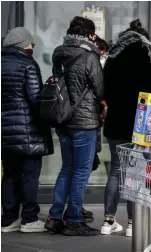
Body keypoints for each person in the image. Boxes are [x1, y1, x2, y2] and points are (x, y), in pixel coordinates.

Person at [101, 19, 151, 236]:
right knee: (136, 173)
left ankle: (107, 221)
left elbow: (102, 89)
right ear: (144, 37)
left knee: (116, 170)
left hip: (116, 122)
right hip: (142, 124)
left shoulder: (113, 57)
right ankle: (132, 224)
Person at [44, 16, 104, 236]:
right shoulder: (90, 56)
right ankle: (74, 220)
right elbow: (100, 89)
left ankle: (54, 216)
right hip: (84, 122)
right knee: (80, 172)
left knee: (66, 169)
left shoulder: (59, 53)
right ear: (89, 35)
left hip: (63, 119)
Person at [1, 27, 54, 233]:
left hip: (4, 131)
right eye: (31, 44)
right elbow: (35, 98)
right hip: (28, 131)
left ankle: (8, 219)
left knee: (10, 175)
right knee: (30, 175)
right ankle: (29, 219)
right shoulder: (27, 64)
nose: (32, 47)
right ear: (23, 44)